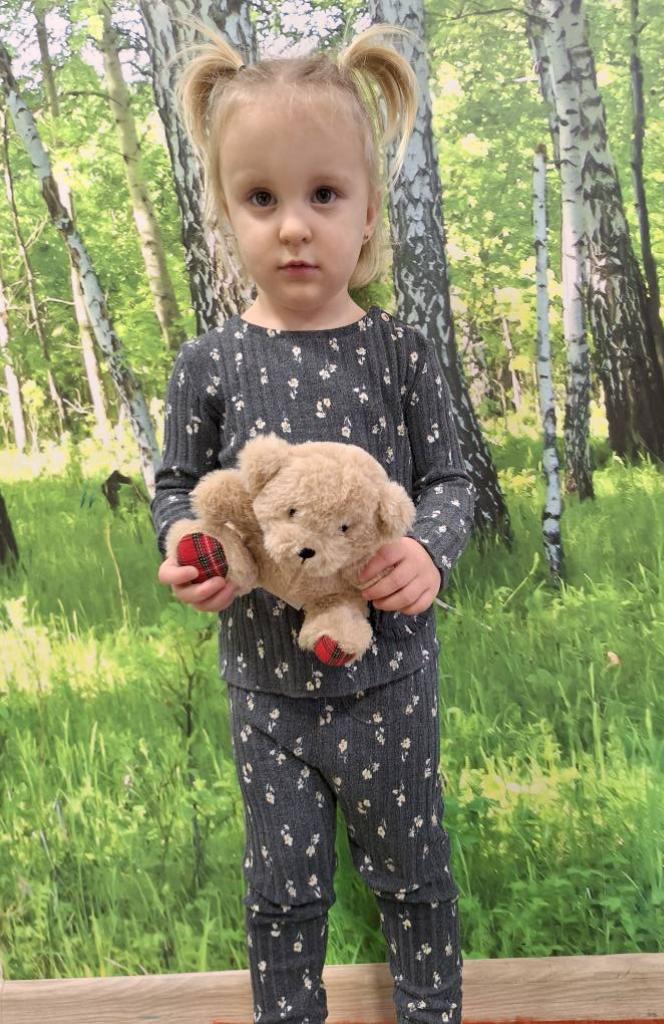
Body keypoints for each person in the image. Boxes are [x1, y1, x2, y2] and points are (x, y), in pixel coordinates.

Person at [151, 18, 476, 1024]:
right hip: (267, 693)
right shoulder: (209, 364)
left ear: (369, 210)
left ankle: (433, 1012)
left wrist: (427, 551)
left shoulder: (402, 353)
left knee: (414, 872)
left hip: (392, 681)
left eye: (323, 195)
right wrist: (185, 547)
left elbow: (454, 477)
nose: (293, 227)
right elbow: (176, 485)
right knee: (281, 894)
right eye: (262, 198)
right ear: (225, 214)